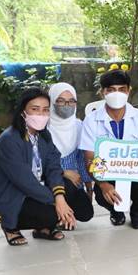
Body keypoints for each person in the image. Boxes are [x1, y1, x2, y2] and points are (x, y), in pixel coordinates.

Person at [0, 87, 77, 245]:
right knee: (54, 214)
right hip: (10, 196)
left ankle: (42, 228)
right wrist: (57, 202)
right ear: (23, 111)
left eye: (45, 110)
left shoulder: (43, 134)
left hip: (35, 189)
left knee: (78, 202)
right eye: (35, 109)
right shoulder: (9, 140)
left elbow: (53, 165)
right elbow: (25, 182)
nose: (41, 115)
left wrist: (60, 196)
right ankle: (10, 227)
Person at [80, 69, 138, 229]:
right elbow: (89, 157)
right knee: (102, 195)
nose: (116, 94)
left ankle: (137, 211)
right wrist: (103, 185)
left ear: (129, 90)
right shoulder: (91, 120)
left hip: (135, 174)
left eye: (121, 89)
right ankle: (116, 211)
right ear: (102, 92)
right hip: (107, 173)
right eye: (110, 90)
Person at [47, 82, 95, 226]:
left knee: (86, 213)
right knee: (65, 183)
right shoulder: (44, 128)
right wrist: (63, 172)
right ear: (52, 102)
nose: (66, 105)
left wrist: (89, 187)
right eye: (60, 101)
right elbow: (37, 162)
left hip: (75, 181)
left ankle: (64, 213)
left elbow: (82, 159)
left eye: (71, 101)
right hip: (49, 181)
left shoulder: (78, 126)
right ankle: (58, 216)